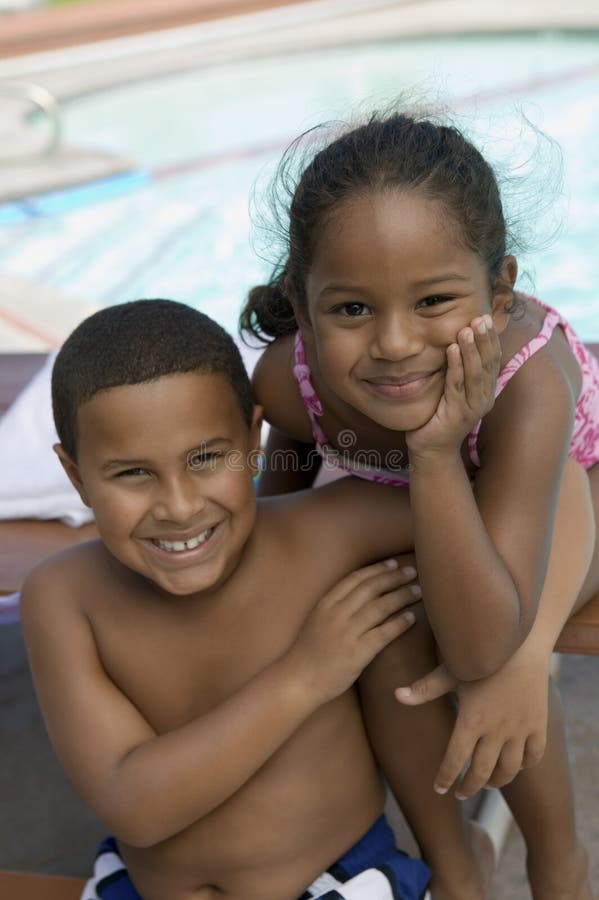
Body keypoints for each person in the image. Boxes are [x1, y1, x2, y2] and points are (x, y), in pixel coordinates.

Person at [240, 110, 599, 899]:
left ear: (497, 293)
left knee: (497, 660)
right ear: (301, 309)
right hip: (438, 515)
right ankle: (454, 858)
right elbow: (271, 546)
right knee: (383, 628)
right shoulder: (287, 387)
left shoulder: (523, 385)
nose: (396, 344)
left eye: (434, 300)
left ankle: (558, 856)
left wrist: (435, 453)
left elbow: (481, 642)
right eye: (352, 310)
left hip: (569, 502)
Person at [20, 298, 438, 900]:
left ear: (252, 441)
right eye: (131, 474)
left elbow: (510, 508)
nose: (179, 506)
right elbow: (132, 804)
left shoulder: (332, 531)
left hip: (338, 886)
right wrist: (306, 675)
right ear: (78, 476)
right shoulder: (63, 597)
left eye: (207, 458)